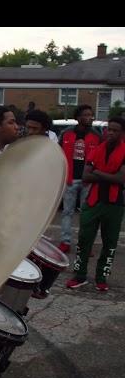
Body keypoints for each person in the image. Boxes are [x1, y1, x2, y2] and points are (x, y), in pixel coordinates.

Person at [66, 117, 125, 292]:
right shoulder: (98, 149)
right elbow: (85, 176)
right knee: (84, 240)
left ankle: (101, 277)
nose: (110, 133)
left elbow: (121, 179)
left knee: (110, 243)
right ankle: (79, 276)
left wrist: (97, 171)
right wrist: (109, 175)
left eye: (115, 130)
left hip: (115, 204)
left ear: (122, 133)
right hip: (93, 201)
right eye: (109, 129)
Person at [58, 105, 101, 254]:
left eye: (91, 115)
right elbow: (58, 154)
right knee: (67, 212)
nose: (90, 117)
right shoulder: (66, 133)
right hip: (70, 179)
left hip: (87, 181)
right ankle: (65, 242)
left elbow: (100, 159)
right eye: (86, 115)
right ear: (78, 118)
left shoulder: (97, 136)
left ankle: (84, 244)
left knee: (87, 214)